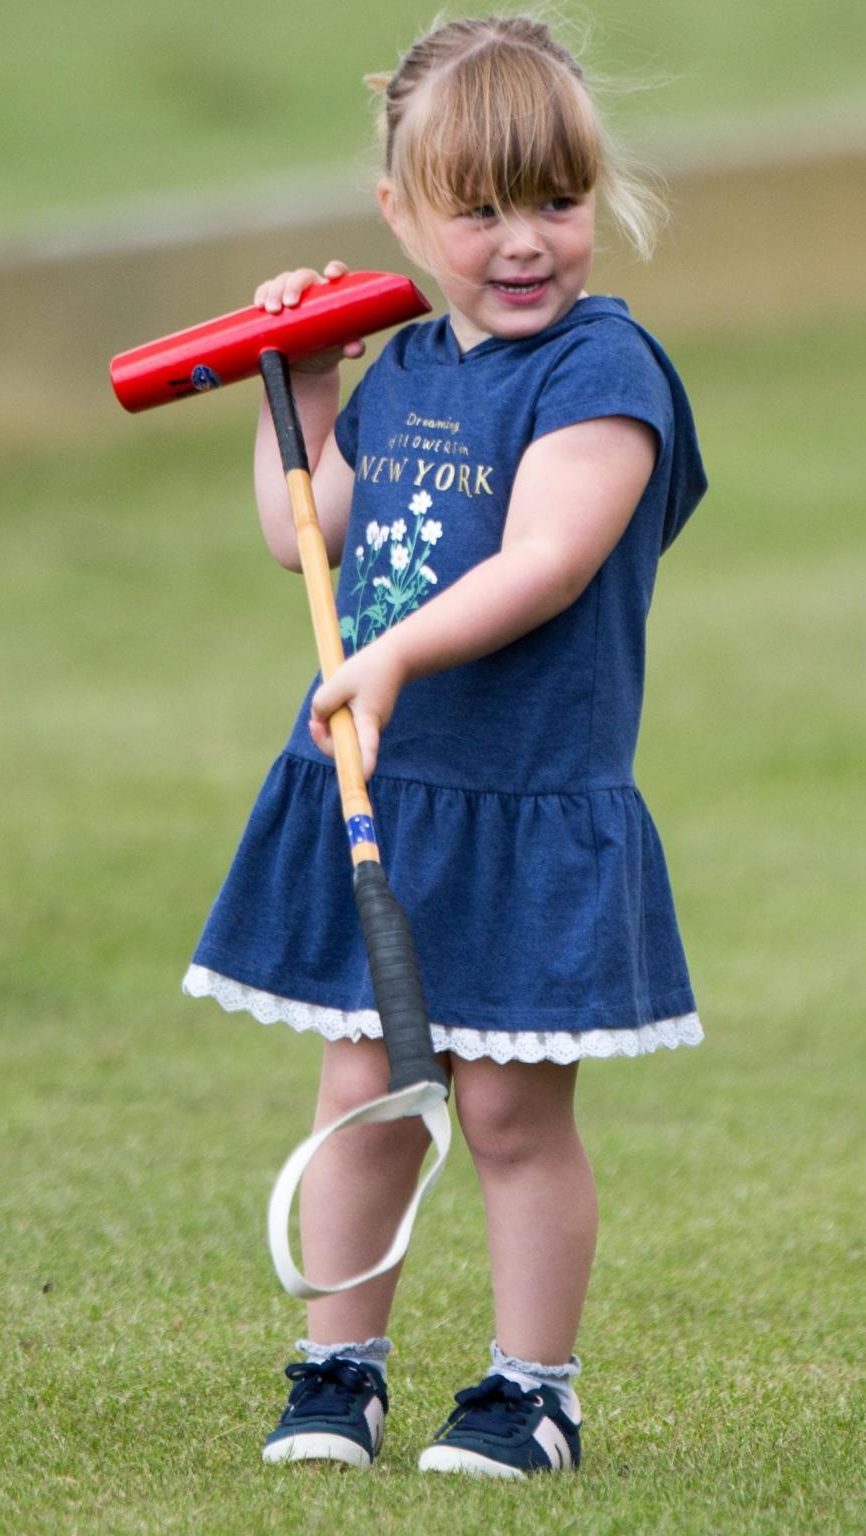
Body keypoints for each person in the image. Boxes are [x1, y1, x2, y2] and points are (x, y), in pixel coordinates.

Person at [184, 12, 707, 1478]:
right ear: (398, 214)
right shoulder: (403, 368)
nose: (524, 240)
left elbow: (544, 557)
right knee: (365, 1089)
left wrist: (396, 647)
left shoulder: (606, 373)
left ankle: (532, 1390)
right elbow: (307, 537)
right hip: (389, 794)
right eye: (478, 210)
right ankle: (337, 1369)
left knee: (506, 1110)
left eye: (555, 199)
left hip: (525, 802)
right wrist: (302, 380)